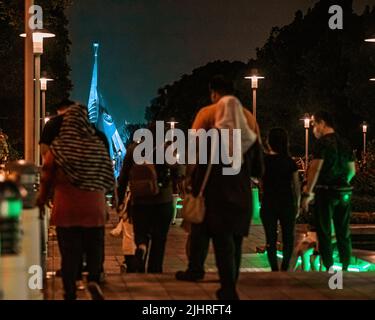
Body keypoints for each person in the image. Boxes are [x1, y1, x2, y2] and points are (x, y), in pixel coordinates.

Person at [177, 75, 260, 300]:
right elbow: (258, 164)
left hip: (213, 189)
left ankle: (198, 270)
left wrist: (188, 177)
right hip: (241, 189)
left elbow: (194, 151)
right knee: (234, 239)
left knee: (202, 232)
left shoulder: (207, 114)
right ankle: (230, 281)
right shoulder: (249, 118)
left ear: (214, 93)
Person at [37, 105, 115, 300]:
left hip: (67, 208)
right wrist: (109, 196)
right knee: (94, 247)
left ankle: (70, 289)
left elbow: (46, 176)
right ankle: (94, 280)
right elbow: (108, 176)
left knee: (70, 252)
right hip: (94, 207)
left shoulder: (59, 147)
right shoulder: (97, 145)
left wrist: (42, 199)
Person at [117, 123, 181, 274]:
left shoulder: (133, 149)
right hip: (162, 200)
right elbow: (178, 171)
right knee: (159, 239)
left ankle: (141, 248)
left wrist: (120, 200)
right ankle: (155, 270)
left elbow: (123, 177)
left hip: (139, 201)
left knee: (140, 233)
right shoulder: (166, 150)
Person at [301, 110, 356, 271]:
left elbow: (315, 168)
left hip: (326, 191)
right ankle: (346, 265)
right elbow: (352, 170)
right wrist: (343, 182)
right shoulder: (344, 142)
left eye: (314, 124)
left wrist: (308, 192)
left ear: (322, 123)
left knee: (324, 230)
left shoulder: (322, 143)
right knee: (343, 230)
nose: (313, 129)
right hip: (344, 191)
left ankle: (329, 266)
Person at [260, 128, 300, 271]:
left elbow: (259, 181)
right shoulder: (290, 162)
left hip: (269, 203)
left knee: (270, 239)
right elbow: (296, 186)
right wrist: (298, 204)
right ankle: (284, 268)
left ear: (269, 142)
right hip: (287, 203)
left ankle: (274, 269)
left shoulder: (264, 161)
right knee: (288, 238)